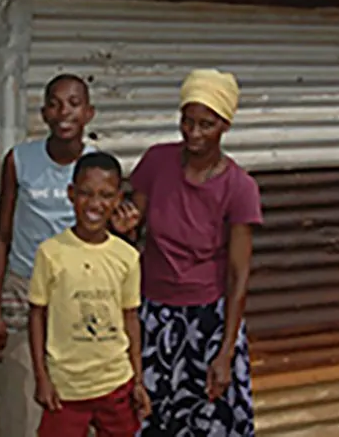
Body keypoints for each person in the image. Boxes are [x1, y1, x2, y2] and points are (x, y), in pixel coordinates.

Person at [113, 69, 261, 436]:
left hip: (207, 321)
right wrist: (125, 228)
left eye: (206, 124)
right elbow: (134, 236)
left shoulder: (239, 187)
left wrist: (226, 351)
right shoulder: (157, 163)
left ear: (224, 126)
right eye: (187, 121)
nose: (194, 133)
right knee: (149, 419)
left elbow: (238, 275)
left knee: (211, 422)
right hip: (152, 314)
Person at [0, 73, 96, 437]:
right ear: (44, 112)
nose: (64, 111)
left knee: (73, 401)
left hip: (77, 293)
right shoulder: (19, 160)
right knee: (20, 401)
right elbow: (2, 235)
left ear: (89, 113)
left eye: (74, 103)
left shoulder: (98, 165)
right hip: (22, 285)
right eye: (55, 103)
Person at [28, 151, 150, 436]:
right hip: (65, 388)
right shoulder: (50, 253)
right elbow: (36, 316)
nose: (95, 204)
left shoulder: (127, 257)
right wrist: (42, 378)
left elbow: (130, 319)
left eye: (106, 195)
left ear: (118, 199)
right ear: (71, 194)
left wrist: (138, 381)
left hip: (116, 382)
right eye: (85, 193)